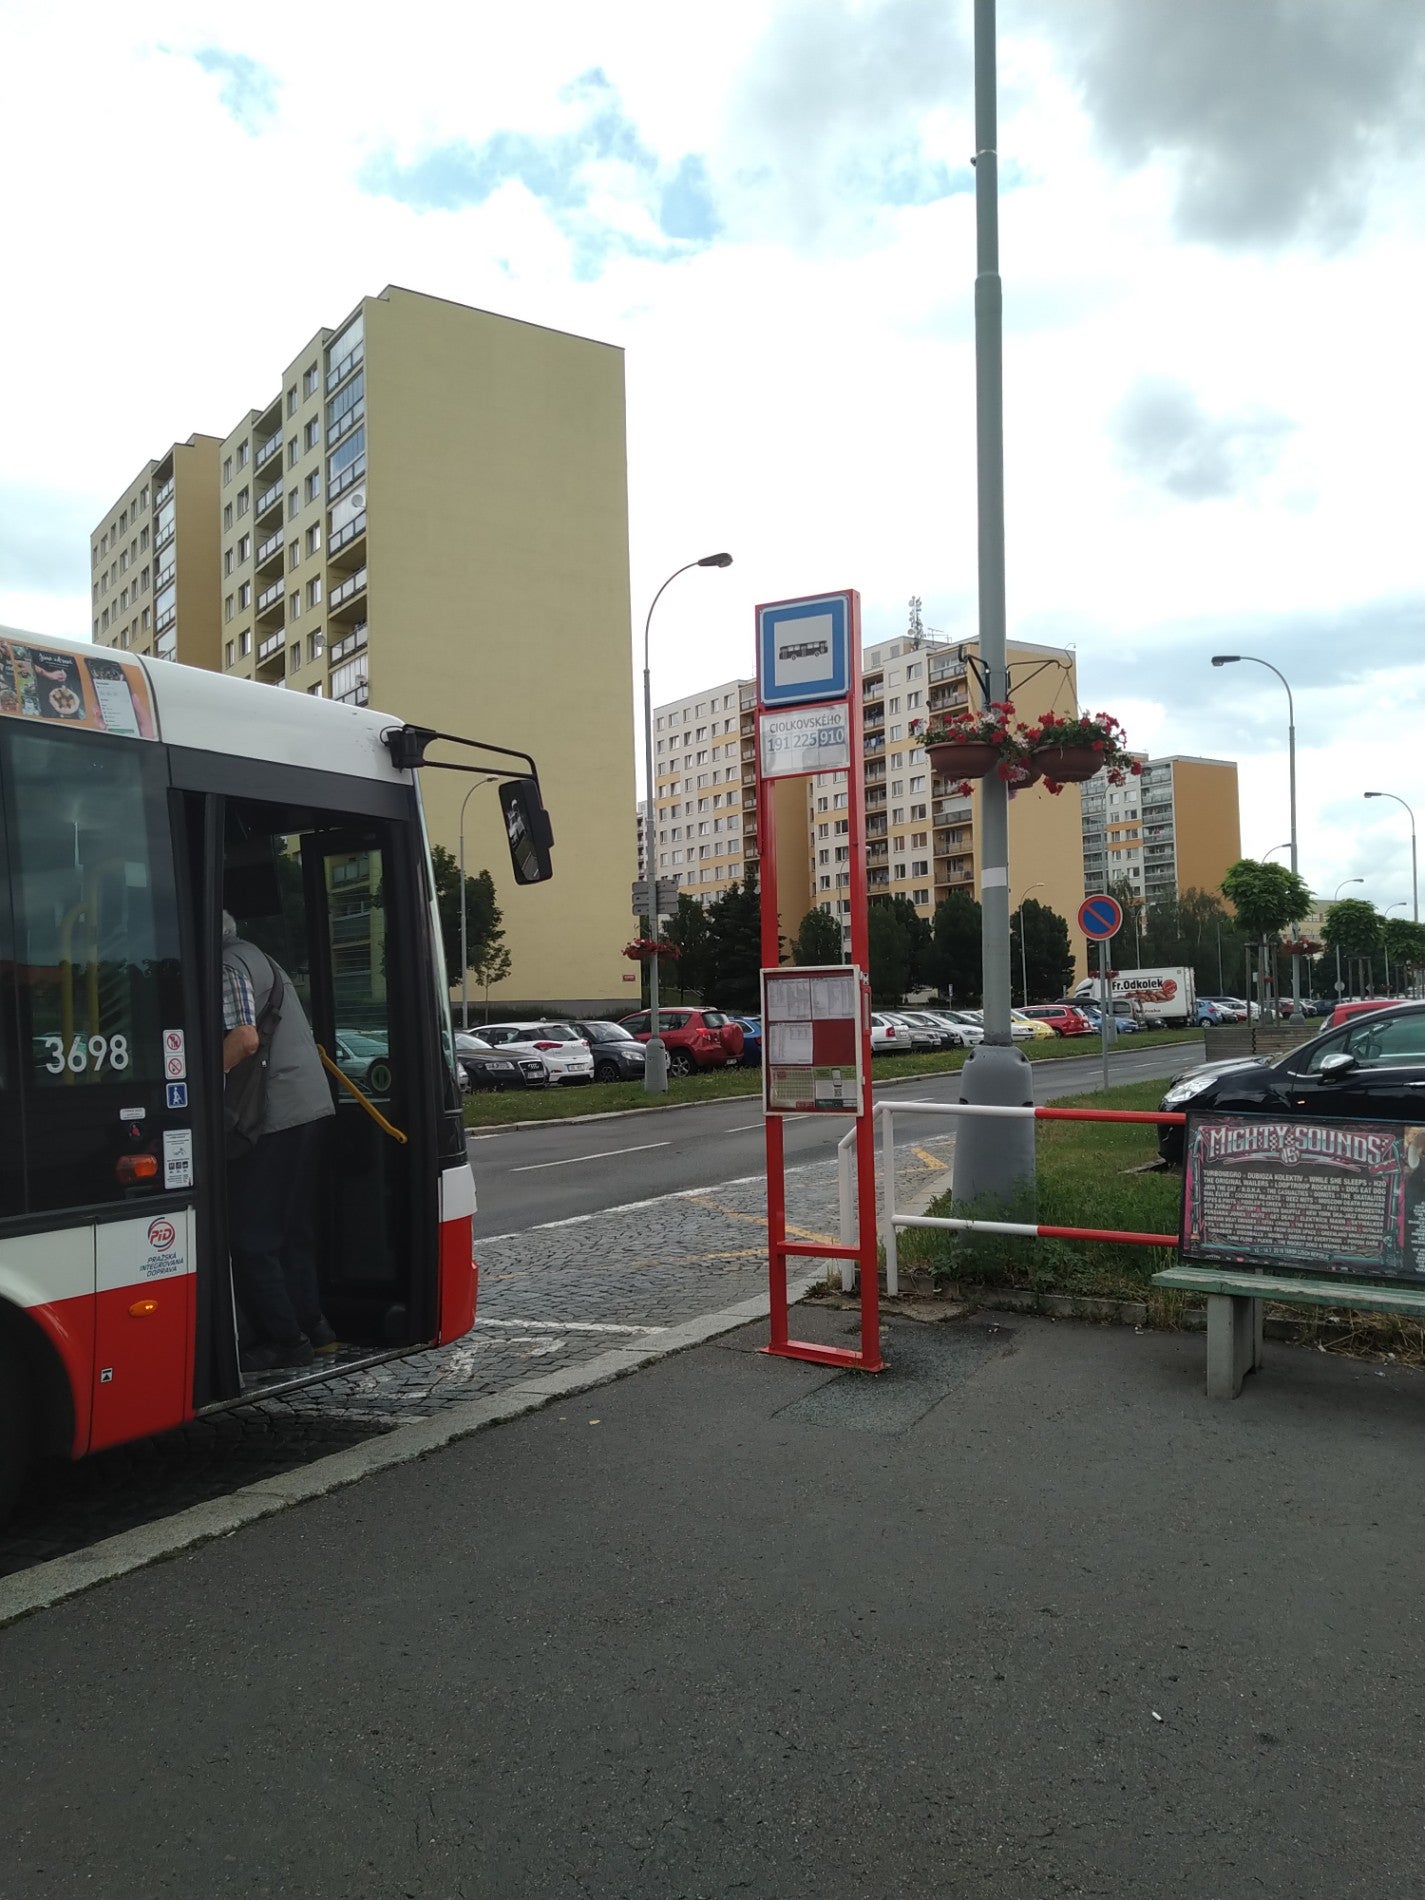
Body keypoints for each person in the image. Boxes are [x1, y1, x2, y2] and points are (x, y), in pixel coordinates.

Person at [221, 911, 337, 1374]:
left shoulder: (228, 964)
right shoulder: (260, 957)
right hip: (307, 1108)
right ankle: (317, 1328)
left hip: (274, 1114)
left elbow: (244, 1038)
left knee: (250, 1237)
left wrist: (188, 1088)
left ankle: (285, 1340)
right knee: (290, 1232)